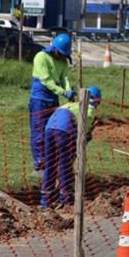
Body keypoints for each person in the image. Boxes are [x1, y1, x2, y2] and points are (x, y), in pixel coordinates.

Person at [41, 86, 101, 208]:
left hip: (49, 128)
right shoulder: (88, 111)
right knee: (65, 166)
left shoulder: (71, 104)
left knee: (50, 165)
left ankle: (45, 200)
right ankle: (65, 199)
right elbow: (82, 134)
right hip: (64, 131)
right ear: (97, 101)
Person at [29, 33, 74, 171]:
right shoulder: (41, 57)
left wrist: (69, 90)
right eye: (60, 53)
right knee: (38, 131)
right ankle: (39, 162)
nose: (61, 56)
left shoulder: (63, 61)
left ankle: (51, 160)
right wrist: (63, 92)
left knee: (51, 130)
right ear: (54, 48)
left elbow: (65, 78)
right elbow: (46, 80)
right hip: (39, 99)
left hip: (53, 99)